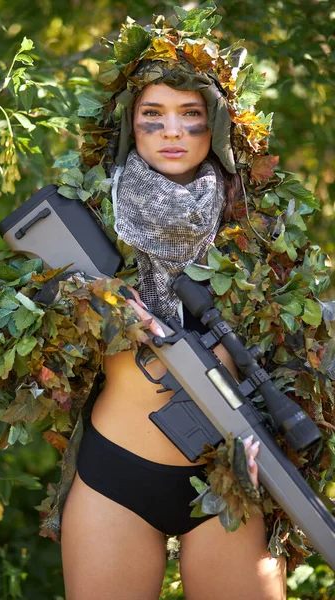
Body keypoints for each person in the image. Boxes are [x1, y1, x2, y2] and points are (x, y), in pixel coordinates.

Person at [56, 14, 288, 599]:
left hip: (229, 478)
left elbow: (295, 351)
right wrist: (97, 307)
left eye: (190, 115)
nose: (172, 131)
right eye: (151, 116)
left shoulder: (256, 225)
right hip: (117, 475)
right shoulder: (89, 210)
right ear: (130, 127)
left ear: (216, 125)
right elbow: (31, 340)